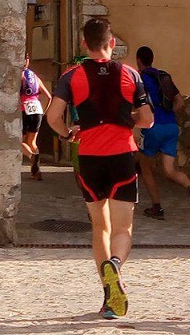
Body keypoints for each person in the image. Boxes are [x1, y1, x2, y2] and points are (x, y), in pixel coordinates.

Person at [47, 18, 155, 320]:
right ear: (112, 44)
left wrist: (68, 133)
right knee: (124, 229)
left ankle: (109, 299)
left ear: (84, 44)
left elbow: (53, 116)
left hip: (89, 157)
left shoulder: (72, 76)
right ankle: (116, 265)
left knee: (100, 227)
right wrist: (126, 117)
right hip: (121, 155)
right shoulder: (131, 74)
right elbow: (147, 119)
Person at [134, 46, 190, 219]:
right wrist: (168, 115)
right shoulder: (163, 76)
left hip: (151, 127)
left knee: (145, 167)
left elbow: (135, 106)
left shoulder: (139, 79)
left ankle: (157, 208)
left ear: (138, 60)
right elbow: (180, 102)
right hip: (171, 126)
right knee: (170, 170)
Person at [18, 54, 51, 180]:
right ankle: (36, 172)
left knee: (18, 142)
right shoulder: (35, 77)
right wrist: (44, 112)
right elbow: (48, 96)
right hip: (37, 110)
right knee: (32, 142)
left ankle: (32, 157)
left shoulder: (19, 75)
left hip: (24, 110)